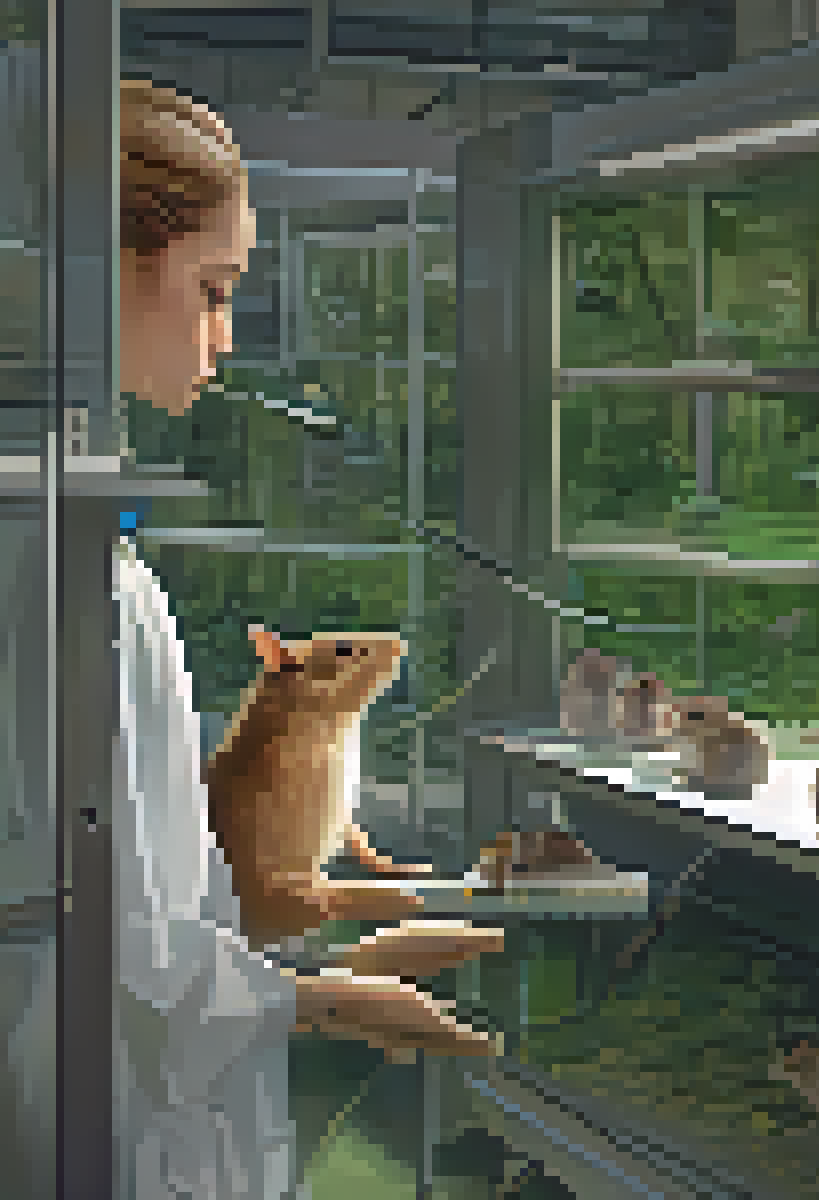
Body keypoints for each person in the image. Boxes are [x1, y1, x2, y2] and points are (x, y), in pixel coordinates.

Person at [95, 77, 502, 1199]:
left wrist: (323, 963)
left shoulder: (91, 566)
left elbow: (167, 925)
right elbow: (129, 965)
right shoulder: (87, 596)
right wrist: (330, 997)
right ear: (106, 265)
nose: (223, 338)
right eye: (211, 290)